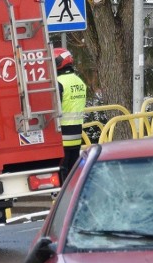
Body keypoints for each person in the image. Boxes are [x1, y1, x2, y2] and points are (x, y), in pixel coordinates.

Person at [54, 47, 87, 183]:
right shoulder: (79, 82)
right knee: (74, 166)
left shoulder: (59, 83)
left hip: (63, 131)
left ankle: (63, 197)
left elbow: (55, 108)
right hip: (77, 131)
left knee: (63, 167)